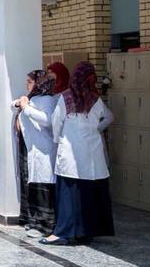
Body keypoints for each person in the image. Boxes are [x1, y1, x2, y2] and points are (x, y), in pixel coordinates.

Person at [41, 62, 115, 246]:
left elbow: (56, 122)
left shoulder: (66, 97)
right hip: (92, 156)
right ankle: (86, 233)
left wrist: (58, 140)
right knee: (89, 195)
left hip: (70, 155)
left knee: (69, 195)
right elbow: (109, 116)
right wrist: (96, 130)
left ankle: (63, 233)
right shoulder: (95, 99)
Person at [14, 69, 58, 238]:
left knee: (44, 188)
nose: (27, 84)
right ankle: (35, 222)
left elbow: (47, 120)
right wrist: (20, 104)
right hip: (34, 149)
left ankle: (45, 226)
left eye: (30, 81)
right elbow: (14, 105)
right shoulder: (33, 99)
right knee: (35, 188)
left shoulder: (47, 100)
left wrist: (26, 108)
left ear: (40, 83)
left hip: (44, 150)